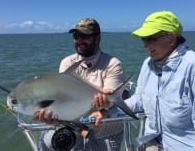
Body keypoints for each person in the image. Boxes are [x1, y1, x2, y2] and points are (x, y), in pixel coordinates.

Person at [91, 11, 195, 151]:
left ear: (172, 37)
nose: (146, 45)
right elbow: (139, 100)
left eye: (151, 39)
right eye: (144, 39)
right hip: (152, 143)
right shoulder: (148, 64)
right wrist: (108, 109)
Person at [34, 18, 126, 151]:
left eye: (85, 36)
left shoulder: (113, 64)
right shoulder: (67, 63)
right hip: (74, 128)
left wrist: (103, 109)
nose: (79, 40)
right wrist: (54, 115)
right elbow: (63, 98)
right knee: (45, 143)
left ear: (98, 37)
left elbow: (110, 98)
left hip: (105, 131)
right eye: (76, 36)